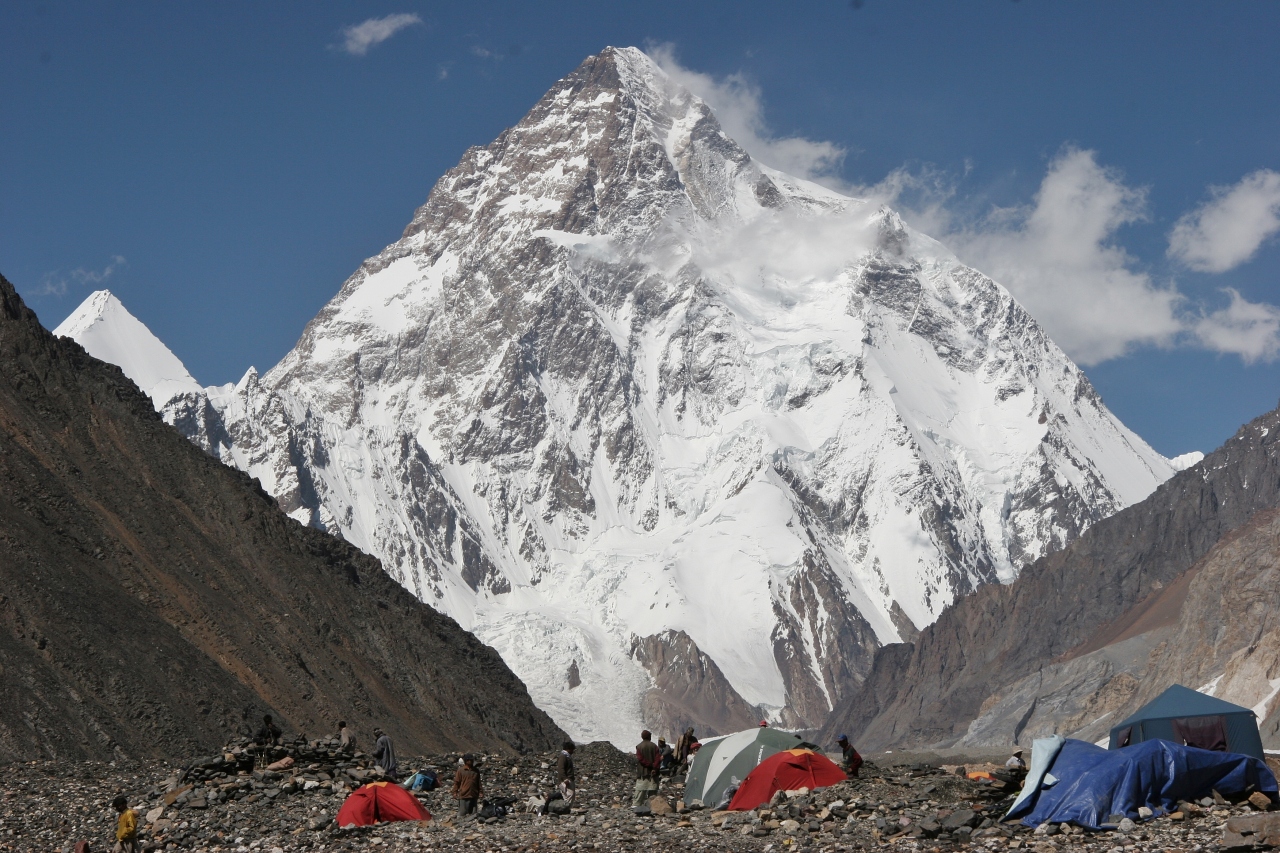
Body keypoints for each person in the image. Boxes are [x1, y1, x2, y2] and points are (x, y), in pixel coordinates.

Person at [632, 730, 661, 809]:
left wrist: (649, 765)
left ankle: (636, 805)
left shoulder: (639, 747)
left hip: (643, 772)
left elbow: (640, 759)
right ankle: (653, 806)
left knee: (640, 790)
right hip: (653, 772)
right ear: (649, 737)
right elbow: (658, 759)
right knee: (653, 791)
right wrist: (654, 767)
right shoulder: (654, 746)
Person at [452, 754, 482, 819]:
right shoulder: (461, 770)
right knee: (462, 814)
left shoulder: (476, 771)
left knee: (474, 814)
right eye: (469, 760)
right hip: (464, 794)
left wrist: (481, 792)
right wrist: (455, 792)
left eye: (472, 760)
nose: (471, 761)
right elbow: (457, 782)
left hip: (473, 794)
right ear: (466, 761)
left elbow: (478, 782)